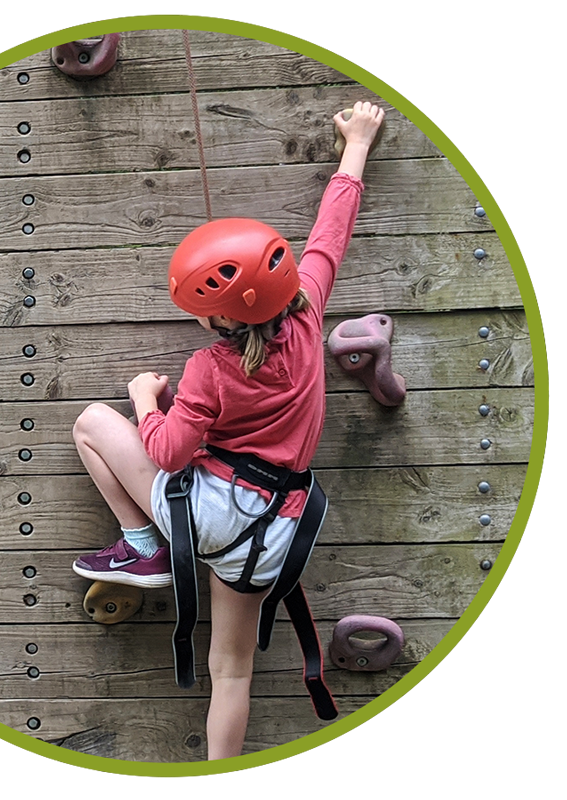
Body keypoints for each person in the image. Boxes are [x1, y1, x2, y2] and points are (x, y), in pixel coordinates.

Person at [71, 101, 386, 760]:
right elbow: (333, 228)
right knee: (232, 671)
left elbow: (166, 449)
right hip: (270, 537)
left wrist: (141, 396)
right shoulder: (308, 311)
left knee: (93, 423)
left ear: (220, 323)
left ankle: (142, 547)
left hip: (212, 517)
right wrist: (356, 141)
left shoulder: (210, 371)